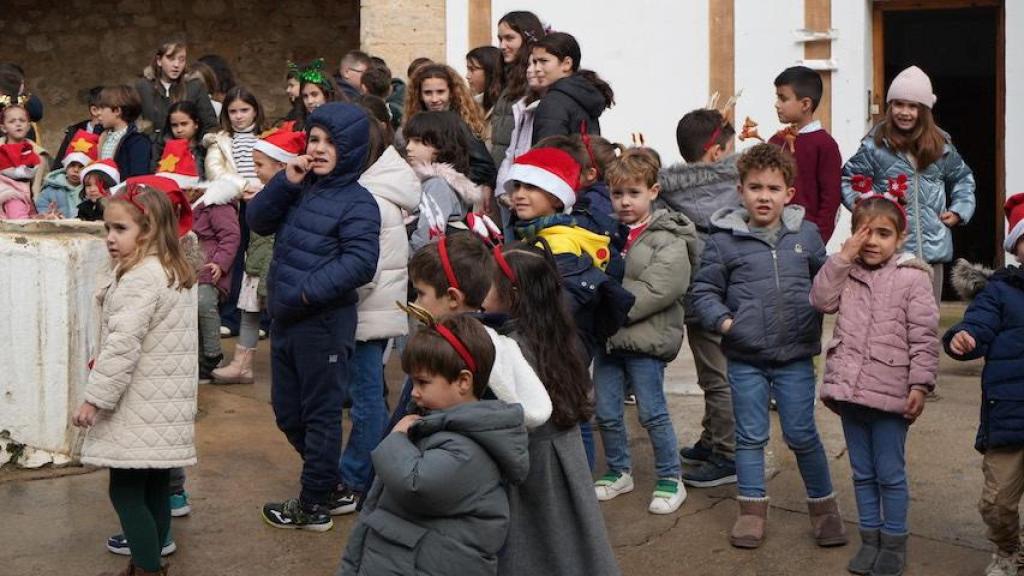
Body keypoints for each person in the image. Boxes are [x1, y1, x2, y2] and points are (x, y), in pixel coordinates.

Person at [690, 143, 845, 549]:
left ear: (789, 193)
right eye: (755, 187)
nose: (764, 196)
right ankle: (751, 511)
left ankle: (824, 509)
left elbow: (827, 281)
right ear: (739, 190)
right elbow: (703, 290)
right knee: (751, 435)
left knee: (802, 433)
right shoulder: (724, 240)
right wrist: (726, 322)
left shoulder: (806, 235)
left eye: (773, 188)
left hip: (795, 356)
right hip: (745, 358)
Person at [248, 102, 380, 531]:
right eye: (314, 139)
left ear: (351, 148)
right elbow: (258, 220)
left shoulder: (359, 203)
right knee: (288, 413)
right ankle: (333, 487)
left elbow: (361, 262)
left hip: (321, 323)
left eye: (330, 142)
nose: (319, 149)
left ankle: (311, 505)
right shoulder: (302, 187)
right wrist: (285, 181)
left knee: (320, 415)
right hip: (286, 320)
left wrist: (306, 293)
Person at [71, 181, 198, 576]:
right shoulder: (171, 270)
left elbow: (121, 348)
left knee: (125, 490)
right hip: (163, 404)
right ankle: (149, 561)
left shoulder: (140, 278)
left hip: (137, 404)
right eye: (107, 228)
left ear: (149, 230)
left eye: (120, 229)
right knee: (156, 487)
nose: (109, 238)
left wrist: (95, 399)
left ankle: (147, 567)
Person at [339, 315, 529, 576]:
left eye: (423, 382)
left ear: (463, 381)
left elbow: (415, 485)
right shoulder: (439, 426)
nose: (414, 392)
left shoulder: (470, 448)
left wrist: (396, 440)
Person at [812, 193, 939, 576]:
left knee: (890, 473)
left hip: (891, 396)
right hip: (850, 393)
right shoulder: (845, 272)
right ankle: (870, 539)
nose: (872, 241)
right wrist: (841, 257)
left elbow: (924, 337)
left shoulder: (912, 279)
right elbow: (820, 300)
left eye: (883, 233)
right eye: (864, 232)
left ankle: (894, 542)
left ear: (900, 239)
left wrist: (920, 384)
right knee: (862, 473)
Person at [487, 242, 621, 576]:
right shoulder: (555, 334)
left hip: (537, 465)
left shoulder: (511, 349)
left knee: (538, 544)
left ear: (512, 293)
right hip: (564, 458)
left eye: (489, 282)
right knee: (570, 544)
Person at [592, 149, 697, 515]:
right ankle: (619, 470)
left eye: (633, 193)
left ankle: (671, 476)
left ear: (653, 191)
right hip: (608, 340)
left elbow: (659, 289)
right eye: (617, 193)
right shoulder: (603, 233)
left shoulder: (668, 236)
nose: (624, 202)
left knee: (652, 412)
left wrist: (605, 311)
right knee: (604, 410)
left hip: (644, 340)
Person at [332, 109, 421, 512]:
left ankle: (357, 478)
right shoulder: (372, 190)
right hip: (368, 310)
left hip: (366, 313)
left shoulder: (374, 200)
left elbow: (365, 267)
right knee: (364, 395)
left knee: (367, 400)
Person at [841, 65, 975, 303]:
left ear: (924, 110)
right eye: (898, 104)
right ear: (890, 107)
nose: (905, 112)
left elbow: (962, 178)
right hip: (889, 250)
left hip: (931, 250)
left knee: (926, 317)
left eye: (913, 106)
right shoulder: (875, 146)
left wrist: (959, 210)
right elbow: (849, 180)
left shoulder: (941, 147)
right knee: (889, 315)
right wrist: (870, 212)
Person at [657, 108, 740, 488]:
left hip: (699, 294)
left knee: (715, 375)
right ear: (718, 152)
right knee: (717, 374)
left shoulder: (670, 192)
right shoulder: (739, 186)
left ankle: (728, 453)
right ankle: (715, 442)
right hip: (732, 291)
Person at [944, 192, 1024, 576]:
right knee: (997, 503)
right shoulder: (999, 292)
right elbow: (976, 325)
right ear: (1017, 247)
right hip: (1009, 414)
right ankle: (1009, 550)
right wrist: (963, 338)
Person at [213, 128, 306, 385]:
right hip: (256, 269)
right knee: (249, 315)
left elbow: (274, 244)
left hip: (271, 272)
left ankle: (291, 370)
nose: (255, 170)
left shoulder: (289, 200)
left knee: (279, 321)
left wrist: (266, 278)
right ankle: (242, 365)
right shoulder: (263, 194)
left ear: (281, 165)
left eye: (259, 165)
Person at [161, 140, 240, 382]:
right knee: (186, 312)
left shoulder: (214, 205)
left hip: (209, 270)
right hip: (185, 271)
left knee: (204, 304)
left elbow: (230, 236)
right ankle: (193, 357)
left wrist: (220, 263)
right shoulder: (174, 210)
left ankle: (212, 356)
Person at [203, 86, 265, 337]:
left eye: (245, 110)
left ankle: (262, 318)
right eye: (233, 111)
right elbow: (215, 171)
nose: (239, 116)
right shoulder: (220, 142)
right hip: (235, 205)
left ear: (255, 111)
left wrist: (264, 191)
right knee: (234, 259)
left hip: (264, 203)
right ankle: (230, 315)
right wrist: (244, 187)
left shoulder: (267, 137)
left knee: (261, 260)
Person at [768, 66, 842, 244]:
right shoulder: (775, 142)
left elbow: (830, 201)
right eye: (777, 97)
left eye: (783, 98)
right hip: (771, 237)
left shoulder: (825, 145)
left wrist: (816, 242)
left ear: (805, 104)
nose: (777, 104)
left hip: (805, 240)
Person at [403, 64, 497, 191]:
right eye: (428, 93)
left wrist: (451, 182)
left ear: (451, 92)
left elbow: (484, 167)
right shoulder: (417, 121)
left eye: (440, 92)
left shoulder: (458, 123)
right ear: (419, 94)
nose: (434, 99)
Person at [405, 111, 482, 252]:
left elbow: (427, 238)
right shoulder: (435, 181)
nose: (408, 147)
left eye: (417, 141)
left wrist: (403, 261)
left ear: (441, 146)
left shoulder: (437, 185)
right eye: (408, 141)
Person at [530, 32, 614, 144]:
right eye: (535, 62)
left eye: (544, 61)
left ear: (567, 64)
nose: (537, 68)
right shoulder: (583, 95)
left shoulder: (554, 101)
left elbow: (548, 154)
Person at [489, 11, 546, 168]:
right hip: (500, 171)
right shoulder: (507, 77)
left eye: (509, 38)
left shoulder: (537, 80)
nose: (502, 46)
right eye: (500, 39)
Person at [134, 39, 218, 138]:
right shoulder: (143, 87)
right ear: (159, 61)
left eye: (181, 60)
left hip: (186, 149)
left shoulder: (194, 86)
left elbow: (209, 123)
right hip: (150, 148)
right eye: (171, 59)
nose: (176, 65)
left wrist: (195, 147)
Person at [0, 100, 48, 218]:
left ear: (28, 126)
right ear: (3, 128)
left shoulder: (37, 154)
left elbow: (36, 187)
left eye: (22, 121)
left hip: (25, 198)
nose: (18, 124)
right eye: (12, 121)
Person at [35, 129, 97, 218]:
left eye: (81, 167)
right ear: (66, 166)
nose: (76, 170)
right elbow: (42, 204)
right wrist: (48, 214)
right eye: (72, 165)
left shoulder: (90, 190)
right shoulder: (52, 187)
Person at [96, 85, 151, 179]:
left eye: (102, 108)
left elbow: (138, 177)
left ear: (117, 111)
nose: (98, 113)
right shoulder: (101, 136)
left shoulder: (137, 141)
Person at [153, 101, 207, 179]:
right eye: (174, 125)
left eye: (184, 124)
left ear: (196, 124)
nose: (179, 130)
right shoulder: (161, 146)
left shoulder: (205, 146)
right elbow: (154, 171)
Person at [54, 86, 105, 164]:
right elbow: (58, 164)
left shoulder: (114, 133)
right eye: (109, 108)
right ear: (94, 110)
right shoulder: (74, 132)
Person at [467, 46, 505, 121]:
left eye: (472, 69)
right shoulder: (473, 105)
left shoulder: (504, 106)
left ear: (489, 70)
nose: (467, 76)